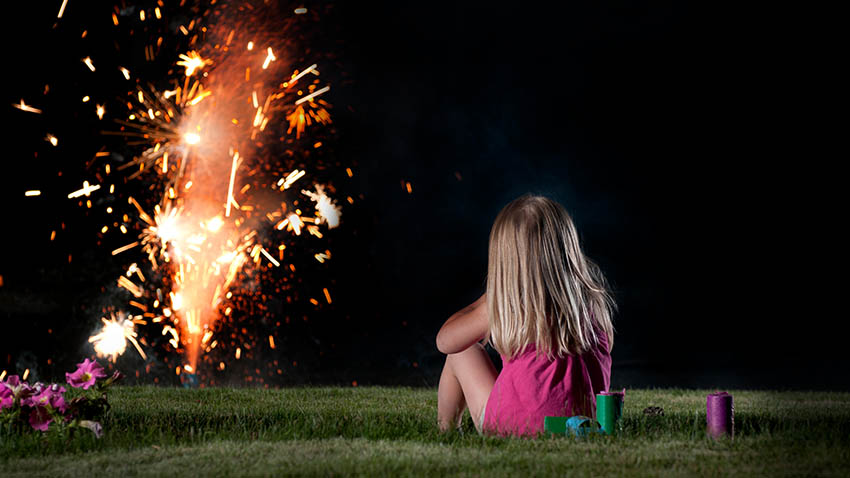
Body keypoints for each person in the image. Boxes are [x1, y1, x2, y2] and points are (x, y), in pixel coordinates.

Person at [436, 194, 615, 436]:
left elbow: (445, 341)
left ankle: (446, 431)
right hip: (582, 426)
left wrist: (491, 296)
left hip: (515, 426)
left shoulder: (506, 305)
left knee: (463, 353)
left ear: (504, 260)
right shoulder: (593, 304)